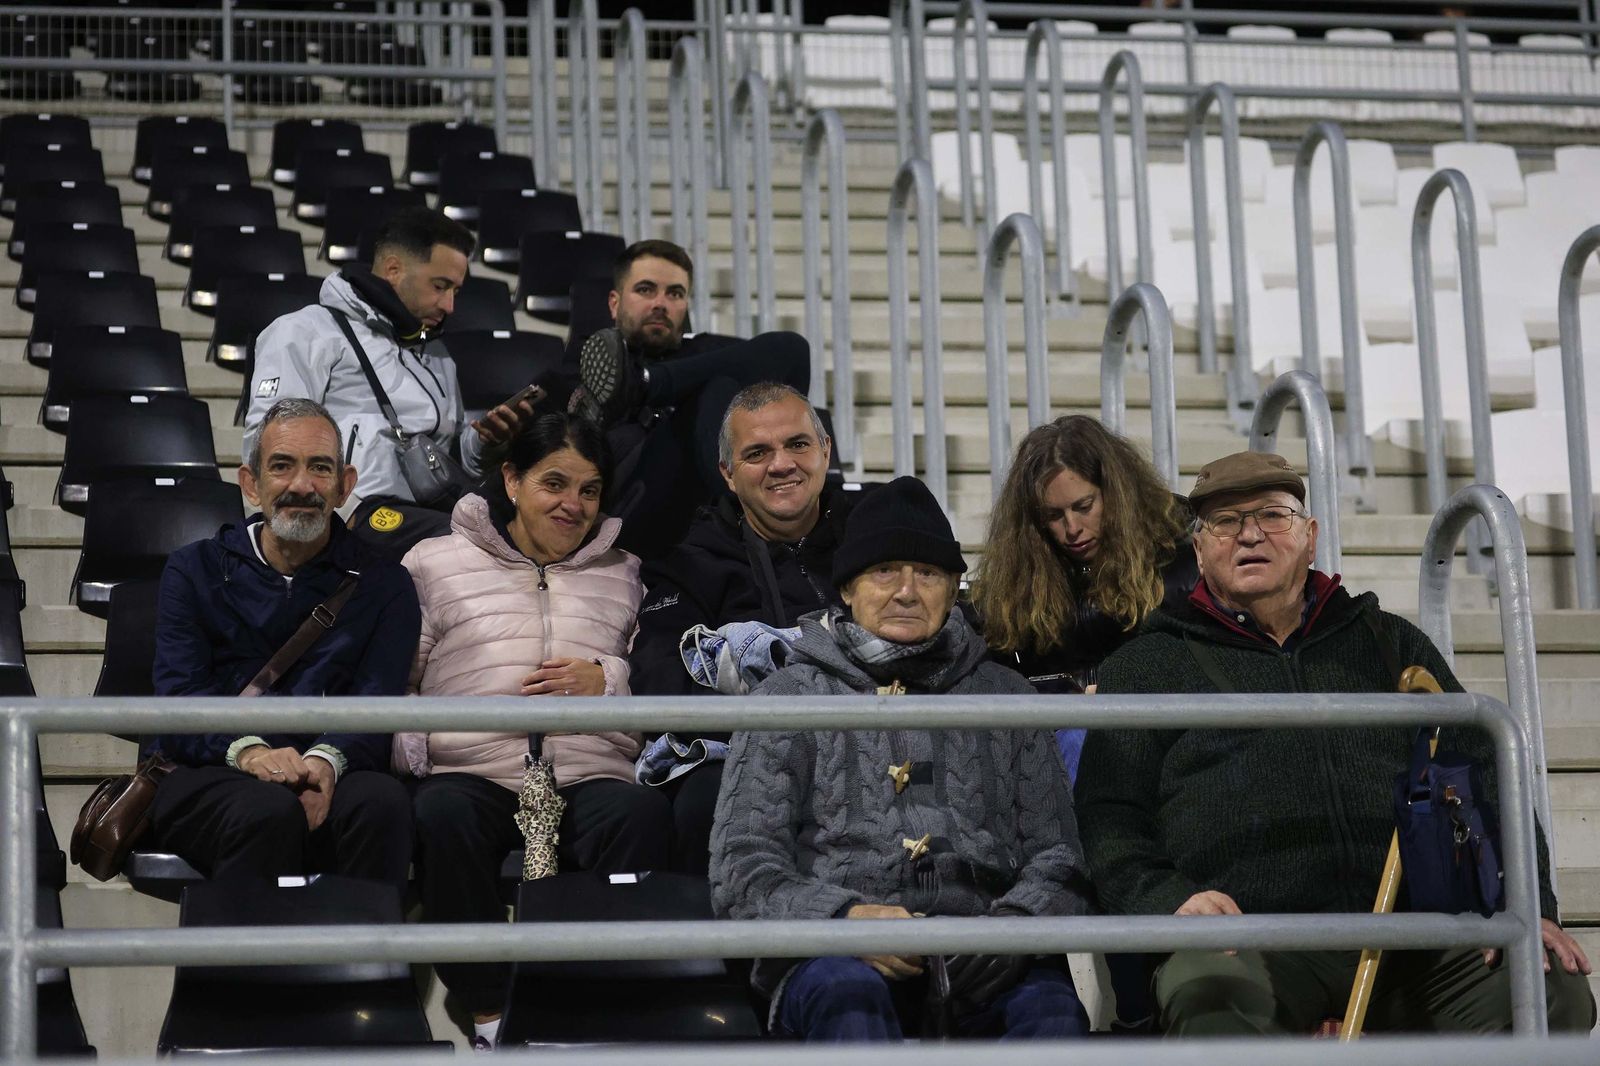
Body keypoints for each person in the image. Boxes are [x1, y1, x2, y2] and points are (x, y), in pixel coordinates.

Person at [1075, 450, 1596, 1036]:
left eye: (1272, 515)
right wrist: (1170, 900)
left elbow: (1489, 773)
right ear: (1199, 550)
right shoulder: (1148, 664)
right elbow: (1108, 815)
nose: (1249, 534)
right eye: (1224, 521)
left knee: (1553, 997)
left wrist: (1529, 907)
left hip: (1415, 941)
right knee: (1211, 1003)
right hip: (1250, 943)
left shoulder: (1388, 642)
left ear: (1310, 536)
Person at [710, 476, 1092, 1042]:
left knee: (1054, 1018)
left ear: (954, 586)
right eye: (884, 571)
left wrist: (1013, 930)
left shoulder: (1008, 695)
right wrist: (844, 922)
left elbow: (1059, 853)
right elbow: (741, 867)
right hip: (834, 958)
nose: (907, 592)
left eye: (929, 573)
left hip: (988, 954)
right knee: (849, 1001)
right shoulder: (787, 698)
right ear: (846, 588)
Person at [392, 410, 668, 1050]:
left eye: (590, 490)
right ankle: (491, 1014)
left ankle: (583, 1010)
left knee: (641, 816)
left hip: (587, 770)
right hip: (474, 769)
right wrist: (418, 753)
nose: (573, 505)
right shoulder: (434, 563)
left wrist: (608, 679)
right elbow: (398, 679)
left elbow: (648, 673)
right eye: (555, 483)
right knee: (442, 813)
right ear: (511, 480)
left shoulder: (626, 572)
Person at [146, 398, 417, 900]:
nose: (302, 486)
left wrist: (326, 760)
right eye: (282, 466)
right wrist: (250, 752)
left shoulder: (386, 584)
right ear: (251, 484)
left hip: (334, 762)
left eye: (320, 468)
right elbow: (180, 696)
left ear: (345, 486)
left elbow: (376, 701)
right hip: (211, 764)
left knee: (382, 804)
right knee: (268, 811)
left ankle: (369, 974)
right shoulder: (194, 569)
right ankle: (245, 977)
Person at [628, 382, 857, 873]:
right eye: (757, 453)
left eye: (797, 444)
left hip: (875, 740)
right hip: (751, 754)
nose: (781, 465)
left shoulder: (875, 533)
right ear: (728, 475)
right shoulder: (689, 564)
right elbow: (660, 683)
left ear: (826, 450)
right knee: (706, 802)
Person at [245, 206, 532, 553]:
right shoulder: (304, 332)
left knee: (527, 527)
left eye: (456, 290)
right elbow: (269, 442)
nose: (450, 305)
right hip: (353, 513)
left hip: (431, 509)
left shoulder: (437, 355)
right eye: (440, 286)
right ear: (394, 269)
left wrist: (484, 442)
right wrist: (335, 509)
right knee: (474, 543)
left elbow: (448, 453)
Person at [971, 414, 1196, 780]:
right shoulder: (1021, 579)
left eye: (1084, 506)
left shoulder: (1179, 561)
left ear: (1116, 494)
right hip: (1060, 738)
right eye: (1053, 516)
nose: (1072, 529)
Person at [569, 239, 813, 560]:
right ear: (615, 303)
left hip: (706, 511)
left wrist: (654, 385)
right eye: (646, 290)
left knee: (729, 386)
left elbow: (792, 353)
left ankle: (645, 384)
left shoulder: (706, 353)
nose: (661, 303)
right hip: (629, 515)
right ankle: (753, 536)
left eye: (675, 293)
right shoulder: (579, 368)